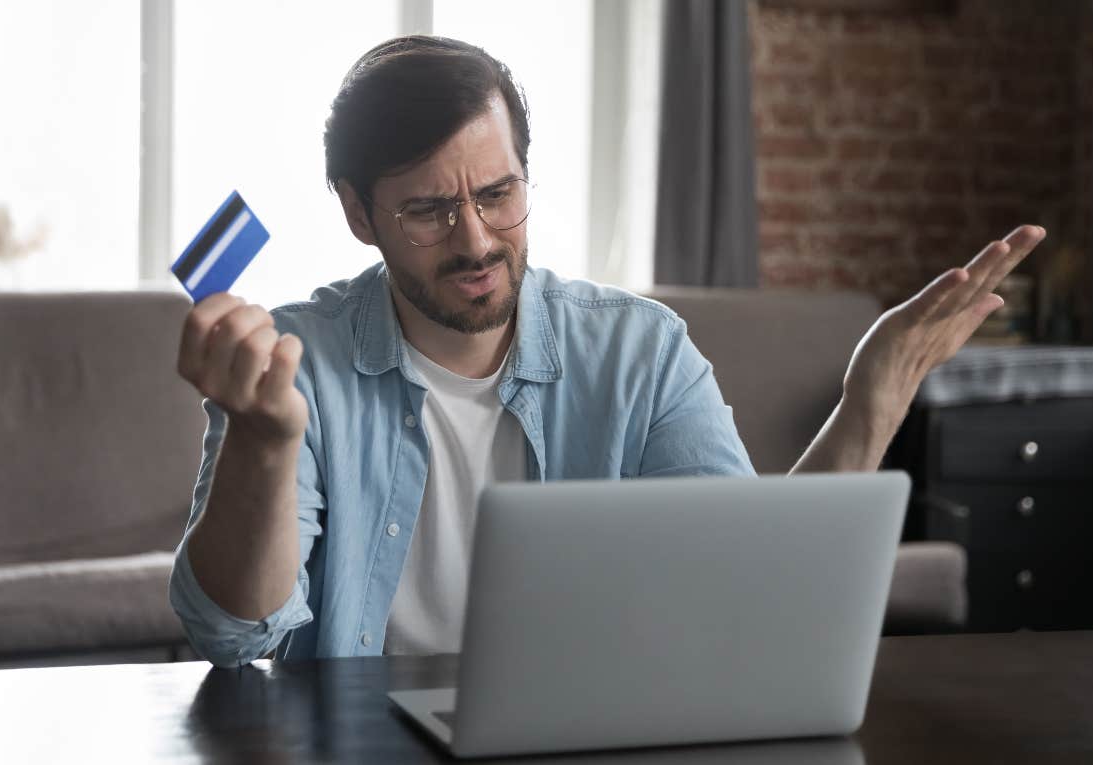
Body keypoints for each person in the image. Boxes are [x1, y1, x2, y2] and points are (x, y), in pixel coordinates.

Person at [168, 36, 1043, 667]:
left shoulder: (641, 351)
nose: (476, 240)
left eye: (499, 193)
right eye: (429, 209)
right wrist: (268, 441)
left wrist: (874, 395)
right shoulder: (296, 363)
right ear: (358, 213)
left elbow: (750, 585)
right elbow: (232, 633)